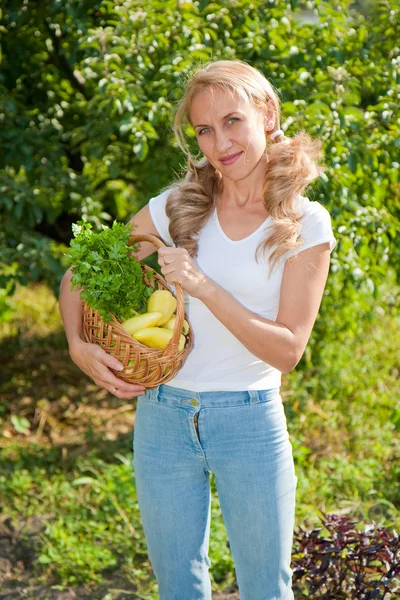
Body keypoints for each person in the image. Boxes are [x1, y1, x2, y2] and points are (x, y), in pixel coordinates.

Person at [59, 59, 337, 600]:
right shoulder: (175, 208)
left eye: (232, 121)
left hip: (250, 422)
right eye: (204, 130)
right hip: (163, 418)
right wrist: (76, 344)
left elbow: (289, 350)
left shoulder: (306, 222)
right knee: (178, 589)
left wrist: (205, 286)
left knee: (265, 590)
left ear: (267, 113)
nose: (220, 143)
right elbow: (79, 273)